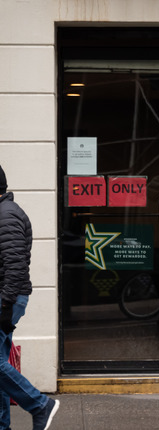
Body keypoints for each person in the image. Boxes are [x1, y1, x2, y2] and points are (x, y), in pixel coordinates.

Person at [0, 165, 59, 429]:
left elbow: (14, 265)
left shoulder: (6, 216)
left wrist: (4, 303)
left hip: (6, 298)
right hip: (7, 297)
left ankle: (40, 405)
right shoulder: (5, 213)